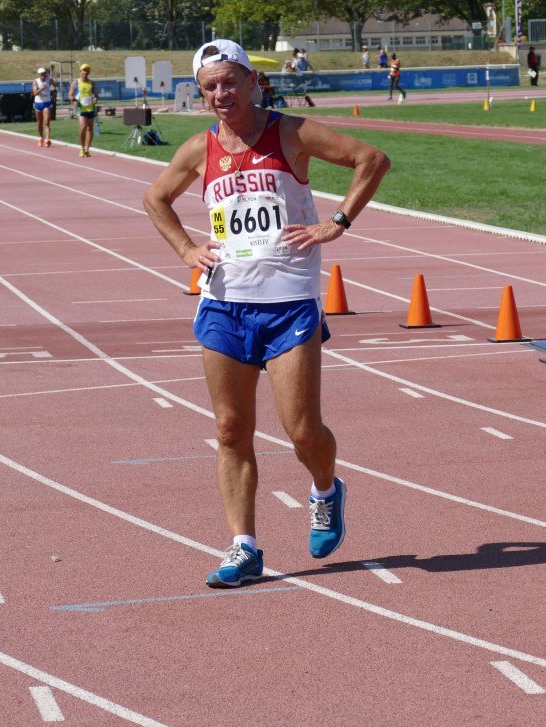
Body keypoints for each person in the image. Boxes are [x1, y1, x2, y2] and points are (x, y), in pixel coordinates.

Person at [142, 40, 390, 588]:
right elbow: (155, 198)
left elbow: (371, 159)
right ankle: (242, 545)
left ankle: (326, 490)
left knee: (302, 431)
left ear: (254, 81)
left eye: (230, 82)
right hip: (225, 302)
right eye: (210, 86)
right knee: (231, 430)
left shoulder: (291, 133)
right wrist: (186, 251)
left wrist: (338, 222)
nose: (221, 94)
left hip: (288, 301)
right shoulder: (198, 147)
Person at [68, 63, 98, 157]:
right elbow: (70, 94)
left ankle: (87, 149)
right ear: (80, 71)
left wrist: (95, 99)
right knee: (83, 127)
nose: (85, 72)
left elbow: (96, 95)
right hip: (81, 108)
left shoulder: (92, 83)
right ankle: (81, 148)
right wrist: (73, 100)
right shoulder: (76, 82)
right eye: (84, 70)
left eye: (87, 70)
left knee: (90, 129)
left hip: (90, 108)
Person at [32, 67, 54, 147]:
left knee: (46, 122)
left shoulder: (49, 80)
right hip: (38, 103)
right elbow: (34, 93)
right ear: (39, 75)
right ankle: (41, 137)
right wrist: (42, 88)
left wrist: (54, 90)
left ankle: (48, 139)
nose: (43, 76)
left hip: (47, 103)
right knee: (39, 123)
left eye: (44, 74)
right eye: (41, 75)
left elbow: (54, 87)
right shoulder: (36, 82)